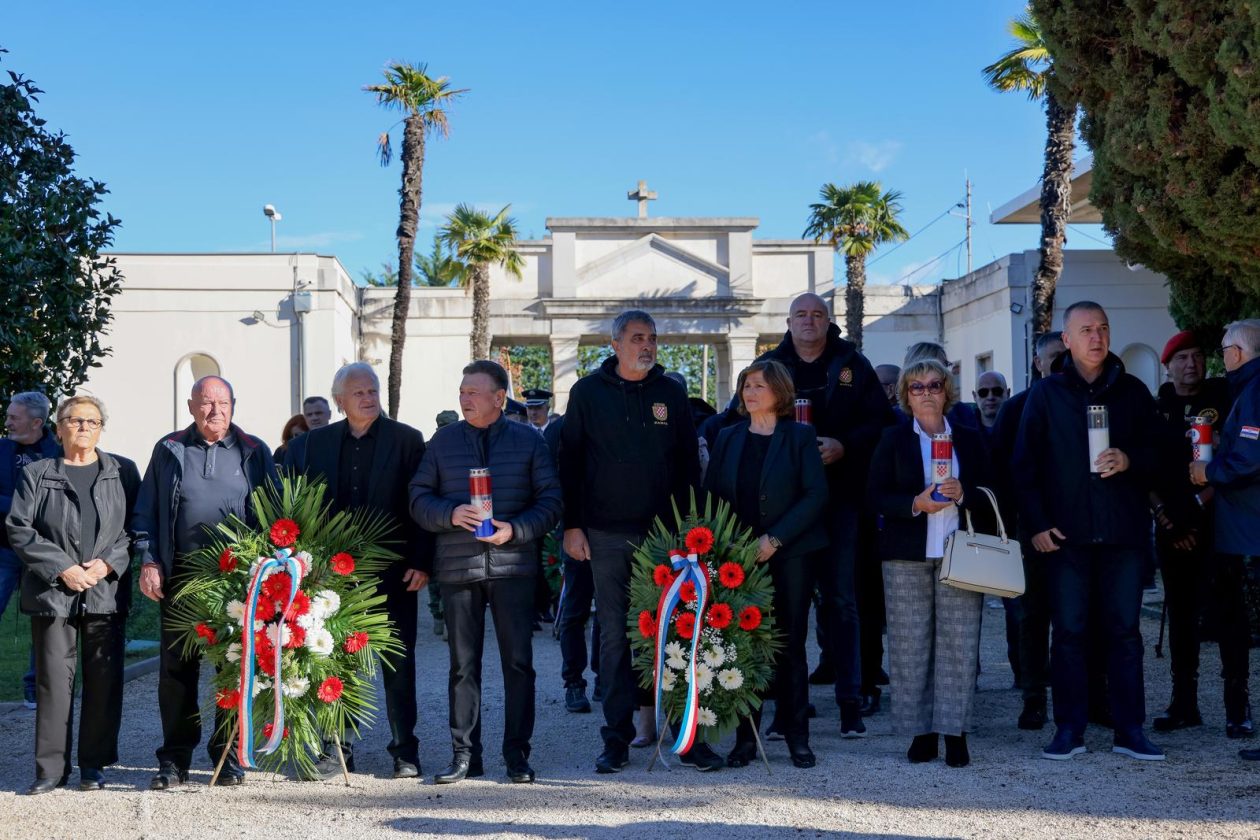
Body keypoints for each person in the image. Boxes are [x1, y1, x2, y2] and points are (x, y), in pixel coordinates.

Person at [1015, 301, 1165, 761]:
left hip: (1123, 535)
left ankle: (1130, 730)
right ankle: (1069, 730)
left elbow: (1163, 455)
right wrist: (1037, 525)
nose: (1096, 337)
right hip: (1067, 537)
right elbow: (1024, 466)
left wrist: (1130, 459)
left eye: (1102, 328)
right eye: (1085, 330)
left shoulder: (1134, 392)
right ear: (1067, 340)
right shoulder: (1046, 395)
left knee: (1125, 634)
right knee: (1069, 634)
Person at [559, 309, 704, 774]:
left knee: (676, 629)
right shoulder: (586, 393)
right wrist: (572, 526)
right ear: (616, 344)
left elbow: (688, 464)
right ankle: (617, 738)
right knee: (616, 635)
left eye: (653, 338)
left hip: (666, 538)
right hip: (606, 534)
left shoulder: (671, 393)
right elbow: (570, 463)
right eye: (638, 338)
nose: (647, 346)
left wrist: (691, 528)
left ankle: (685, 736)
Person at [410, 360, 562, 784]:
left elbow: (551, 501)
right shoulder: (442, 443)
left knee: (518, 663)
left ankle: (517, 755)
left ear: (498, 398)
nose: (464, 399)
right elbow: (418, 498)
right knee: (462, 665)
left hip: (513, 567)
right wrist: (449, 513)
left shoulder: (528, 441)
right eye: (462, 392)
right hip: (458, 569)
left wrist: (515, 530)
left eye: (473, 392)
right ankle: (465, 755)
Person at [284, 362, 430, 780]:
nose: (368, 398)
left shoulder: (407, 440)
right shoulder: (312, 445)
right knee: (333, 660)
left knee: (397, 662)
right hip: (333, 576)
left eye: (372, 391)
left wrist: (422, 560)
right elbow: (295, 504)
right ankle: (337, 748)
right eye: (359, 393)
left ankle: (405, 750)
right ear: (339, 401)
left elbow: (420, 503)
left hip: (394, 572)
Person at [757, 292, 894, 738]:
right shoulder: (770, 366)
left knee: (842, 603)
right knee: (786, 609)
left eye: (817, 314)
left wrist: (844, 445)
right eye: (801, 314)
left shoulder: (852, 363)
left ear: (828, 320)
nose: (809, 321)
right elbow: (746, 419)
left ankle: (851, 703)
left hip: (841, 502)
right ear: (788, 321)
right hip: (788, 507)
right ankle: (787, 708)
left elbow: (881, 422)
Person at [134, 375, 278, 789]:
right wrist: (150, 560)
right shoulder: (169, 448)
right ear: (190, 406)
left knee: (232, 670)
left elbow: (275, 512)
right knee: (176, 671)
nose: (215, 410)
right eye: (206, 402)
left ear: (233, 405)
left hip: (237, 581)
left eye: (222, 402)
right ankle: (174, 759)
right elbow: (146, 510)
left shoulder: (254, 450)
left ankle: (226, 757)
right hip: (181, 577)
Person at [8, 396, 140, 794]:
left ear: (101, 428)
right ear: (59, 427)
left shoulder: (122, 471)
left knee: (104, 680)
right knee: (52, 680)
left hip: (104, 591)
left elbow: (135, 528)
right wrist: (61, 567)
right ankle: (51, 769)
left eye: (92, 421)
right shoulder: (37, 473)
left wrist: (108, 563)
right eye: (75, 420)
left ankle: (93, 766)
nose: (84, 427)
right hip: (53, 592)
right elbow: (19, 529)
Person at [703, 360, 827, 768]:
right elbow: (711, 495)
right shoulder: (727, 437)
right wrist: (722, 545)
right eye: (746, 385)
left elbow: (815, 495)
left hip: (790, 554)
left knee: (790, 644)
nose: (750, 392)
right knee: (744, 646)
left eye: (759, 385)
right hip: (739, 558)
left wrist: (774, 539)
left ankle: (797, 736)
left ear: (779, 391)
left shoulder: (800, 436)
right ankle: (746, 739)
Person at [868, 360, 992, 768]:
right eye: (916, 386)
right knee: (909, 647)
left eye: (934, 385)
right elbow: (874, 496)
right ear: (906, 394)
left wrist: (964, 494)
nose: (926, 393)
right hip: (906, 554)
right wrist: (914, 504)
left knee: (960, 645)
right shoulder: (893, 438)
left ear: (947, 391)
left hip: (961, 553)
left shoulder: (970, 439)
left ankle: (955, 734)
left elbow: (996, 490)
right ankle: (921, 733)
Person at [1149, 330, 1241, 736]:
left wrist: (1199, 506)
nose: (1192, 364)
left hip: (1218, 524)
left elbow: (1238, 459)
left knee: (1228, 615)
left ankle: (1237, 705)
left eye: (1198, 356)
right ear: (1168, 366)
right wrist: (1165, 518)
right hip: (1171, 528)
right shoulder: (1157, 409)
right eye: (1182, 358)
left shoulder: (1225, 398)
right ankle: (1183, 702)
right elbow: (1144, 468)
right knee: (1182, 617)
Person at [1188, 320, 1260, 760]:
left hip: (1251, 530)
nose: (1221, 357)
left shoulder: (1253, 390)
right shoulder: (1247, 388)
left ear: (1237, 353)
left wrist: (1208, 471)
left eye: (1222, 349)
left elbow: (1250, 458)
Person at [991, 331, 1066, 730]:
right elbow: (1002, 472)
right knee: (1031, 616)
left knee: (1078, 617)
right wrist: (1014, 529)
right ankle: (1033, 696)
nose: (1061, 363)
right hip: (1029, 531)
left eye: (1066, 356)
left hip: (1078, 528)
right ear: (1038, 363)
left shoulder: (1087, 402)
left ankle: (1086, 696)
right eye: (1054, 357)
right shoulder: (1016, 408)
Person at [0, 391, 61, 709]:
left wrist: (13, 505)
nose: (7, 422)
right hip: (3, 550)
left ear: (36, 422)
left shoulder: (59, 454)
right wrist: (25, 505)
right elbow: (39, 504)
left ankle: (35, 687)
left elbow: (57, 504)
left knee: (44, 618)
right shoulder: (1, 450)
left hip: (42, 551)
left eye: (14, 417)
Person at [973, 372, 1008, 440]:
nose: (990, 397)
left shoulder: (1021, 428)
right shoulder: (964, 430)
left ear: (1007, 393)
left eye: (997, 391)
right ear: (975, 396)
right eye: (983, 392)